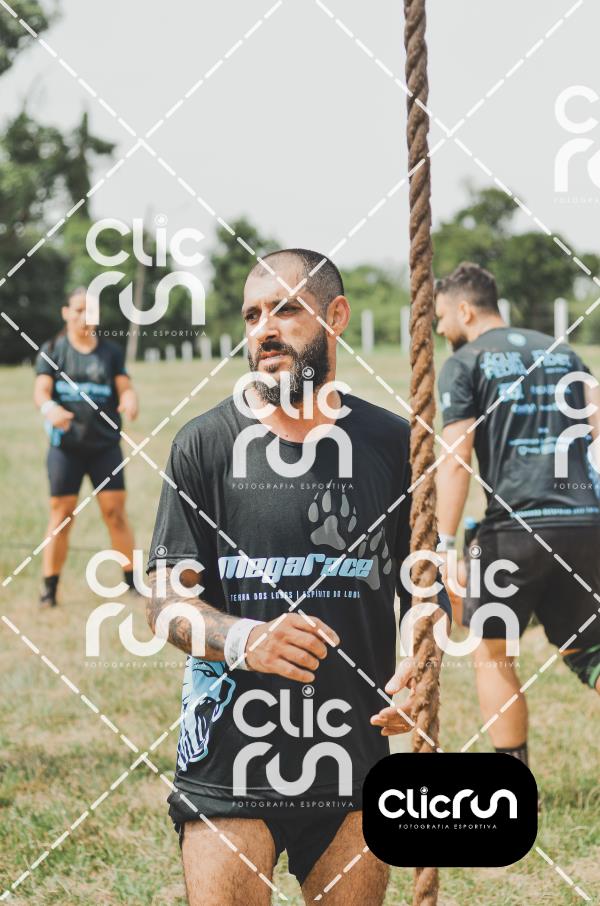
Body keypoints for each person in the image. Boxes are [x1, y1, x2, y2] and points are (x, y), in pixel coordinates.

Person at [146, 249, 451, 906]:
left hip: (355, 758)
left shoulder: (394, 445)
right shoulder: (204, 445)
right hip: (228, 761)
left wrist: (420, 658)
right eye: (252, 315)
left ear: (335, 316)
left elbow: (426, 589)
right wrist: (245, 640)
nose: (264, 329)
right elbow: (166, 602)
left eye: (285, 309)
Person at [435, 261, 600, 770]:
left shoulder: (464, 362)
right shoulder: (562, 351)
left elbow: (456, 458)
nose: (440, 329)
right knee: (590, 649)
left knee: (492, 650)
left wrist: (443, 545)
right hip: (584, 524)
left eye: (441, 317)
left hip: (513, 532)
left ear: (465, 310)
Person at [34, 287, 139, 607]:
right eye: (78, 310)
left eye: (90, 310)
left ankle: (132, 583)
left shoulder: (110, 353)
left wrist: (129, 399)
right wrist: (50, 409)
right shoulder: (53, 350)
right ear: (66, 313)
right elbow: (41, 391)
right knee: (62, 515)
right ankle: (49, 590)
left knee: (115, 513)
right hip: (66, 448)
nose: (84, 316)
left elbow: (125, 386)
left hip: (105, 447)